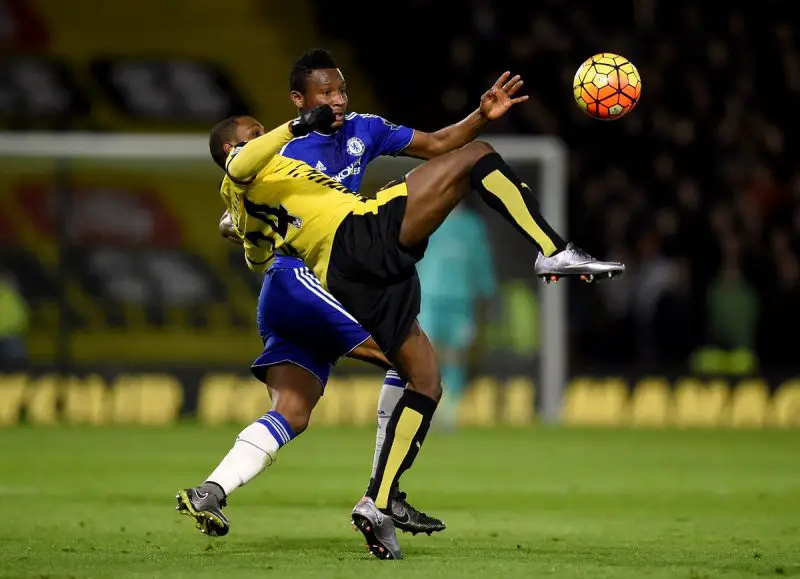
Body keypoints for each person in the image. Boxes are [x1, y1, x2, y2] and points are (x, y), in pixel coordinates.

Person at [207, 100, 624, 558]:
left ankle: (377, 500)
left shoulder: (277, 183)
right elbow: (242, 166)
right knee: (477, 156)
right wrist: (297, 126)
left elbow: (257, 256)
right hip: (352, 246)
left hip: (353, 274)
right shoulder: (258, 161)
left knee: (421, 378)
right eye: (254, 133)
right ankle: (553, 250)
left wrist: (242, 225)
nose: (265, 136)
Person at [190, 48, 532, 539]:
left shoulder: (361, 130)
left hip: (295, 291)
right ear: (299, 100)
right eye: (326, 92)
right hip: (304, 278)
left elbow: (438, 143)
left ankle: (211, 489)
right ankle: (382, 496)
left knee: (292, 410)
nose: (337, 99)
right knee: (412, 365)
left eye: (341, 90)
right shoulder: (277, 153)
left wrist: (481, 115)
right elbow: (244, 192)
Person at [416, 200, 497, 429]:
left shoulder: (472, 226)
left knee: (456, 353)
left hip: (461, 297)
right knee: (428, 352)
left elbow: (481, 259)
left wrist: (487, 290)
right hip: (430, 296)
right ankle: (426, 405)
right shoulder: (428, 218)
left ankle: (450, 409)